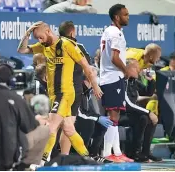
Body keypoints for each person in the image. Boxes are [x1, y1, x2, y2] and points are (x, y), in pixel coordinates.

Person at [17, 21, 103, 164]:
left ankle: (39, 161)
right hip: (54, 94)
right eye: (37, 38)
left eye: (41, 37)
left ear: (49, 31)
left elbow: (87, 67)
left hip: (64, 93)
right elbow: (22, 50)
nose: (39, 41)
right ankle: (89, 161)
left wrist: (95, 85)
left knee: (51, 126)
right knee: (69, 129)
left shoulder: (67, 44)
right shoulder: (44, 46)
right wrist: (26, 34)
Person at [99, 4, 135, 162]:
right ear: (116, 17)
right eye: (125, 14)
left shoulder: (110, 31)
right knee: (113, 115)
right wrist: (126, 70)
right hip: (113, 78)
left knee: (115, 116)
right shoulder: (115, 33)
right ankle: (107, 154)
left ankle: (117, 153)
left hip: (111, 77)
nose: (128, 17)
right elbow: (114, 58)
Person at [57, 20, 91, 155]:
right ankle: (62, 158)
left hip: (57, 90)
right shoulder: (78, 46)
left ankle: (61, 158)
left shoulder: (52, 46)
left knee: (63, 125)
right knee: (67, 126)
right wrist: (88, 85)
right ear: (72, 32)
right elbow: (88, 68)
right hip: (73, 90)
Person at [119, 59, 161, 162]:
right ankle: (135, 153)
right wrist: (148, 112)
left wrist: (150, 80)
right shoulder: (121, 81)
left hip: (132, 114)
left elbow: (148, 92)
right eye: (135, 67)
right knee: (144, 118)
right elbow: (128, 105)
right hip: (120, 115)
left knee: (149, 118)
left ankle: (145, 152)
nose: (139, 70)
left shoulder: (133, 81)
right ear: (127, 68)